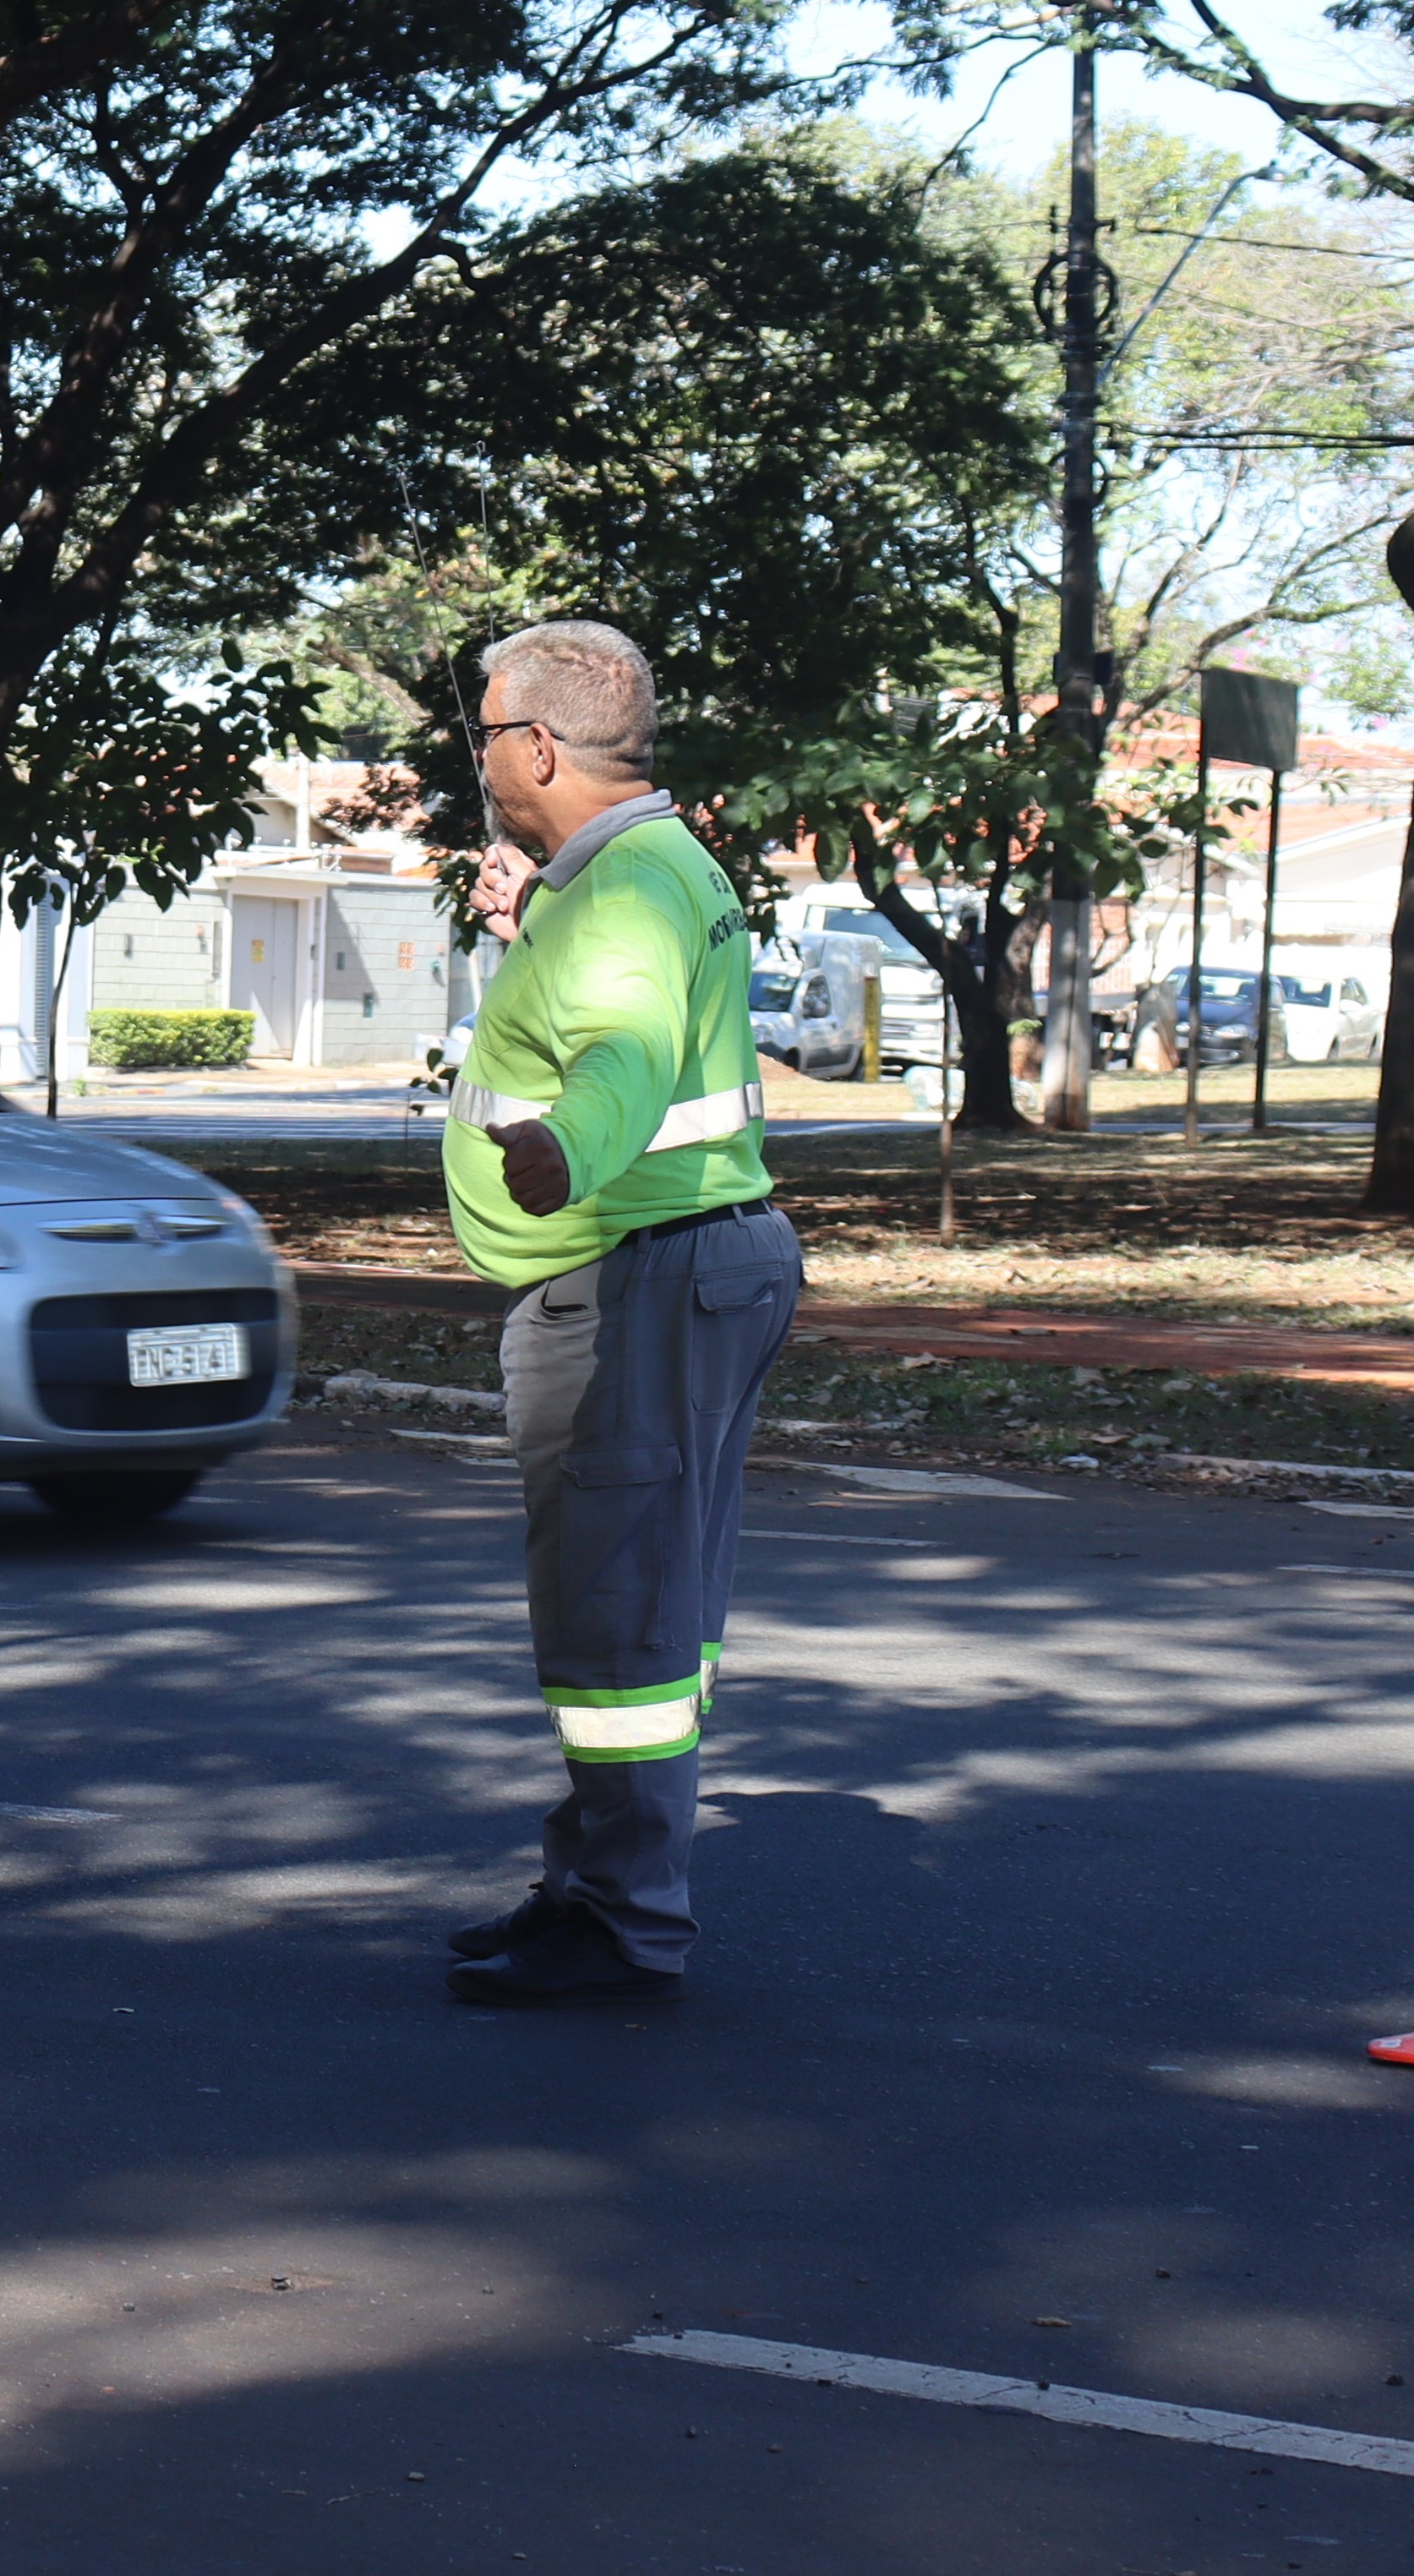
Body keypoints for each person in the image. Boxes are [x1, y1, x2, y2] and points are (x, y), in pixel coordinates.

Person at [436, 620, 801, 2007]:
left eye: (484, 730)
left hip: (635, 1268)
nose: (477, 755)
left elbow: (626, 1049)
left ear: (534, 745)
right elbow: (615, 997)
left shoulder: (630, 888)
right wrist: (526, 922)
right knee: (646, 1603)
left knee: (619, 1620)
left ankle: (622, 1920)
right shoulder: (635, 868)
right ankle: (595, 1881)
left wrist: (563, 1146)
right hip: (681, 1260)